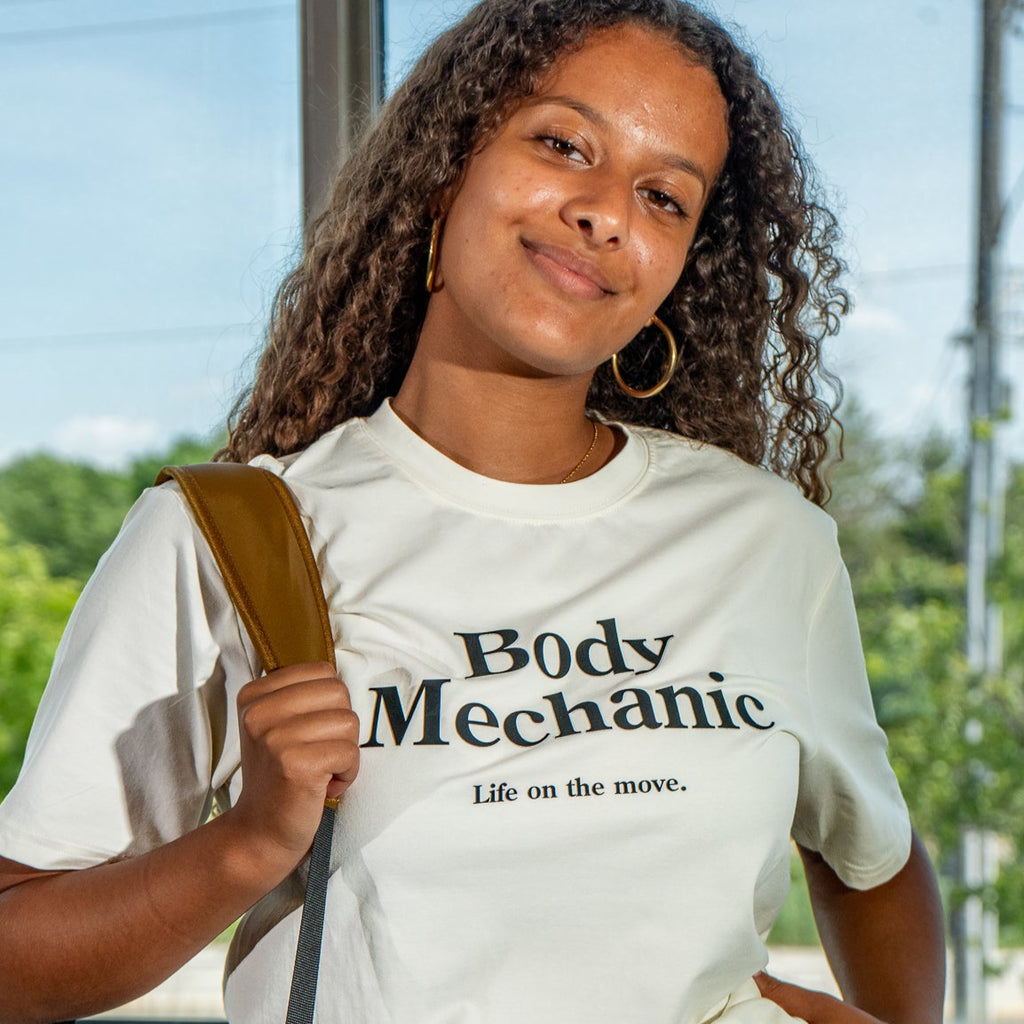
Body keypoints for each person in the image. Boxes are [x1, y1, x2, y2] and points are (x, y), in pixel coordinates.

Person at [0, 1, 946, 1022]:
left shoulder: (768, 541)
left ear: (678, 270)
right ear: (447, 166)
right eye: (559, 143)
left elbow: (872, 859)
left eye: (664, 197)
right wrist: (245, 845)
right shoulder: (230, 540)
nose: (605, 211)